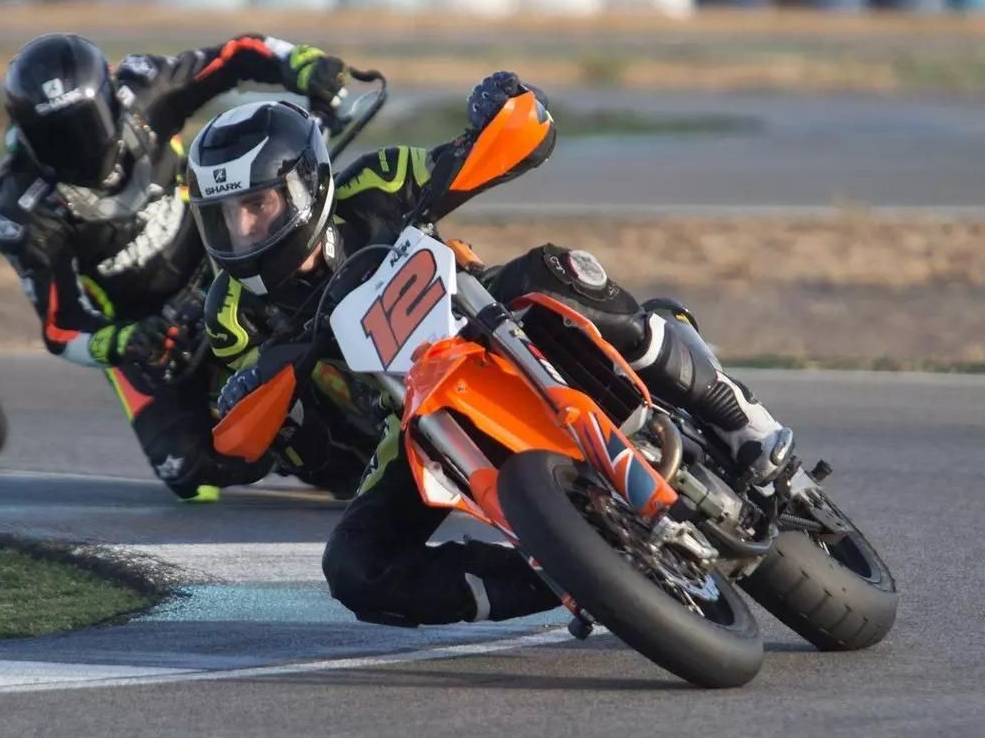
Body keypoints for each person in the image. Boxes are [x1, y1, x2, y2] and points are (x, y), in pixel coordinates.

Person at [189, 71, 797, 626]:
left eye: (257, 205)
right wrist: (260, 410)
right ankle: (566, 576)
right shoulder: (232, 314)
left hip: (486, 315)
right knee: (354, 568)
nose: (243, 230)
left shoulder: (374, 183)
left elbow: (479, 155)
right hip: (409, 417)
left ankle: (741, 420)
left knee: (553, 270)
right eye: (224, 216)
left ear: (307, 184)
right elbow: (263, 430)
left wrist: (503, 114)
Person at [0, 31, 356, 501]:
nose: (77, 148)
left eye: (85, 124)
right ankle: (296, 448)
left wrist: (301, 63)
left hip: (225, 254)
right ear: (27, 134)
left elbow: (235, 55)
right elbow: (61, 329)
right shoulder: (24, 213)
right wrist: (128, 340)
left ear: (109, 99)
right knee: (188, 473)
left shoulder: (146, 89)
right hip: (146, 329)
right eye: (55, 137)